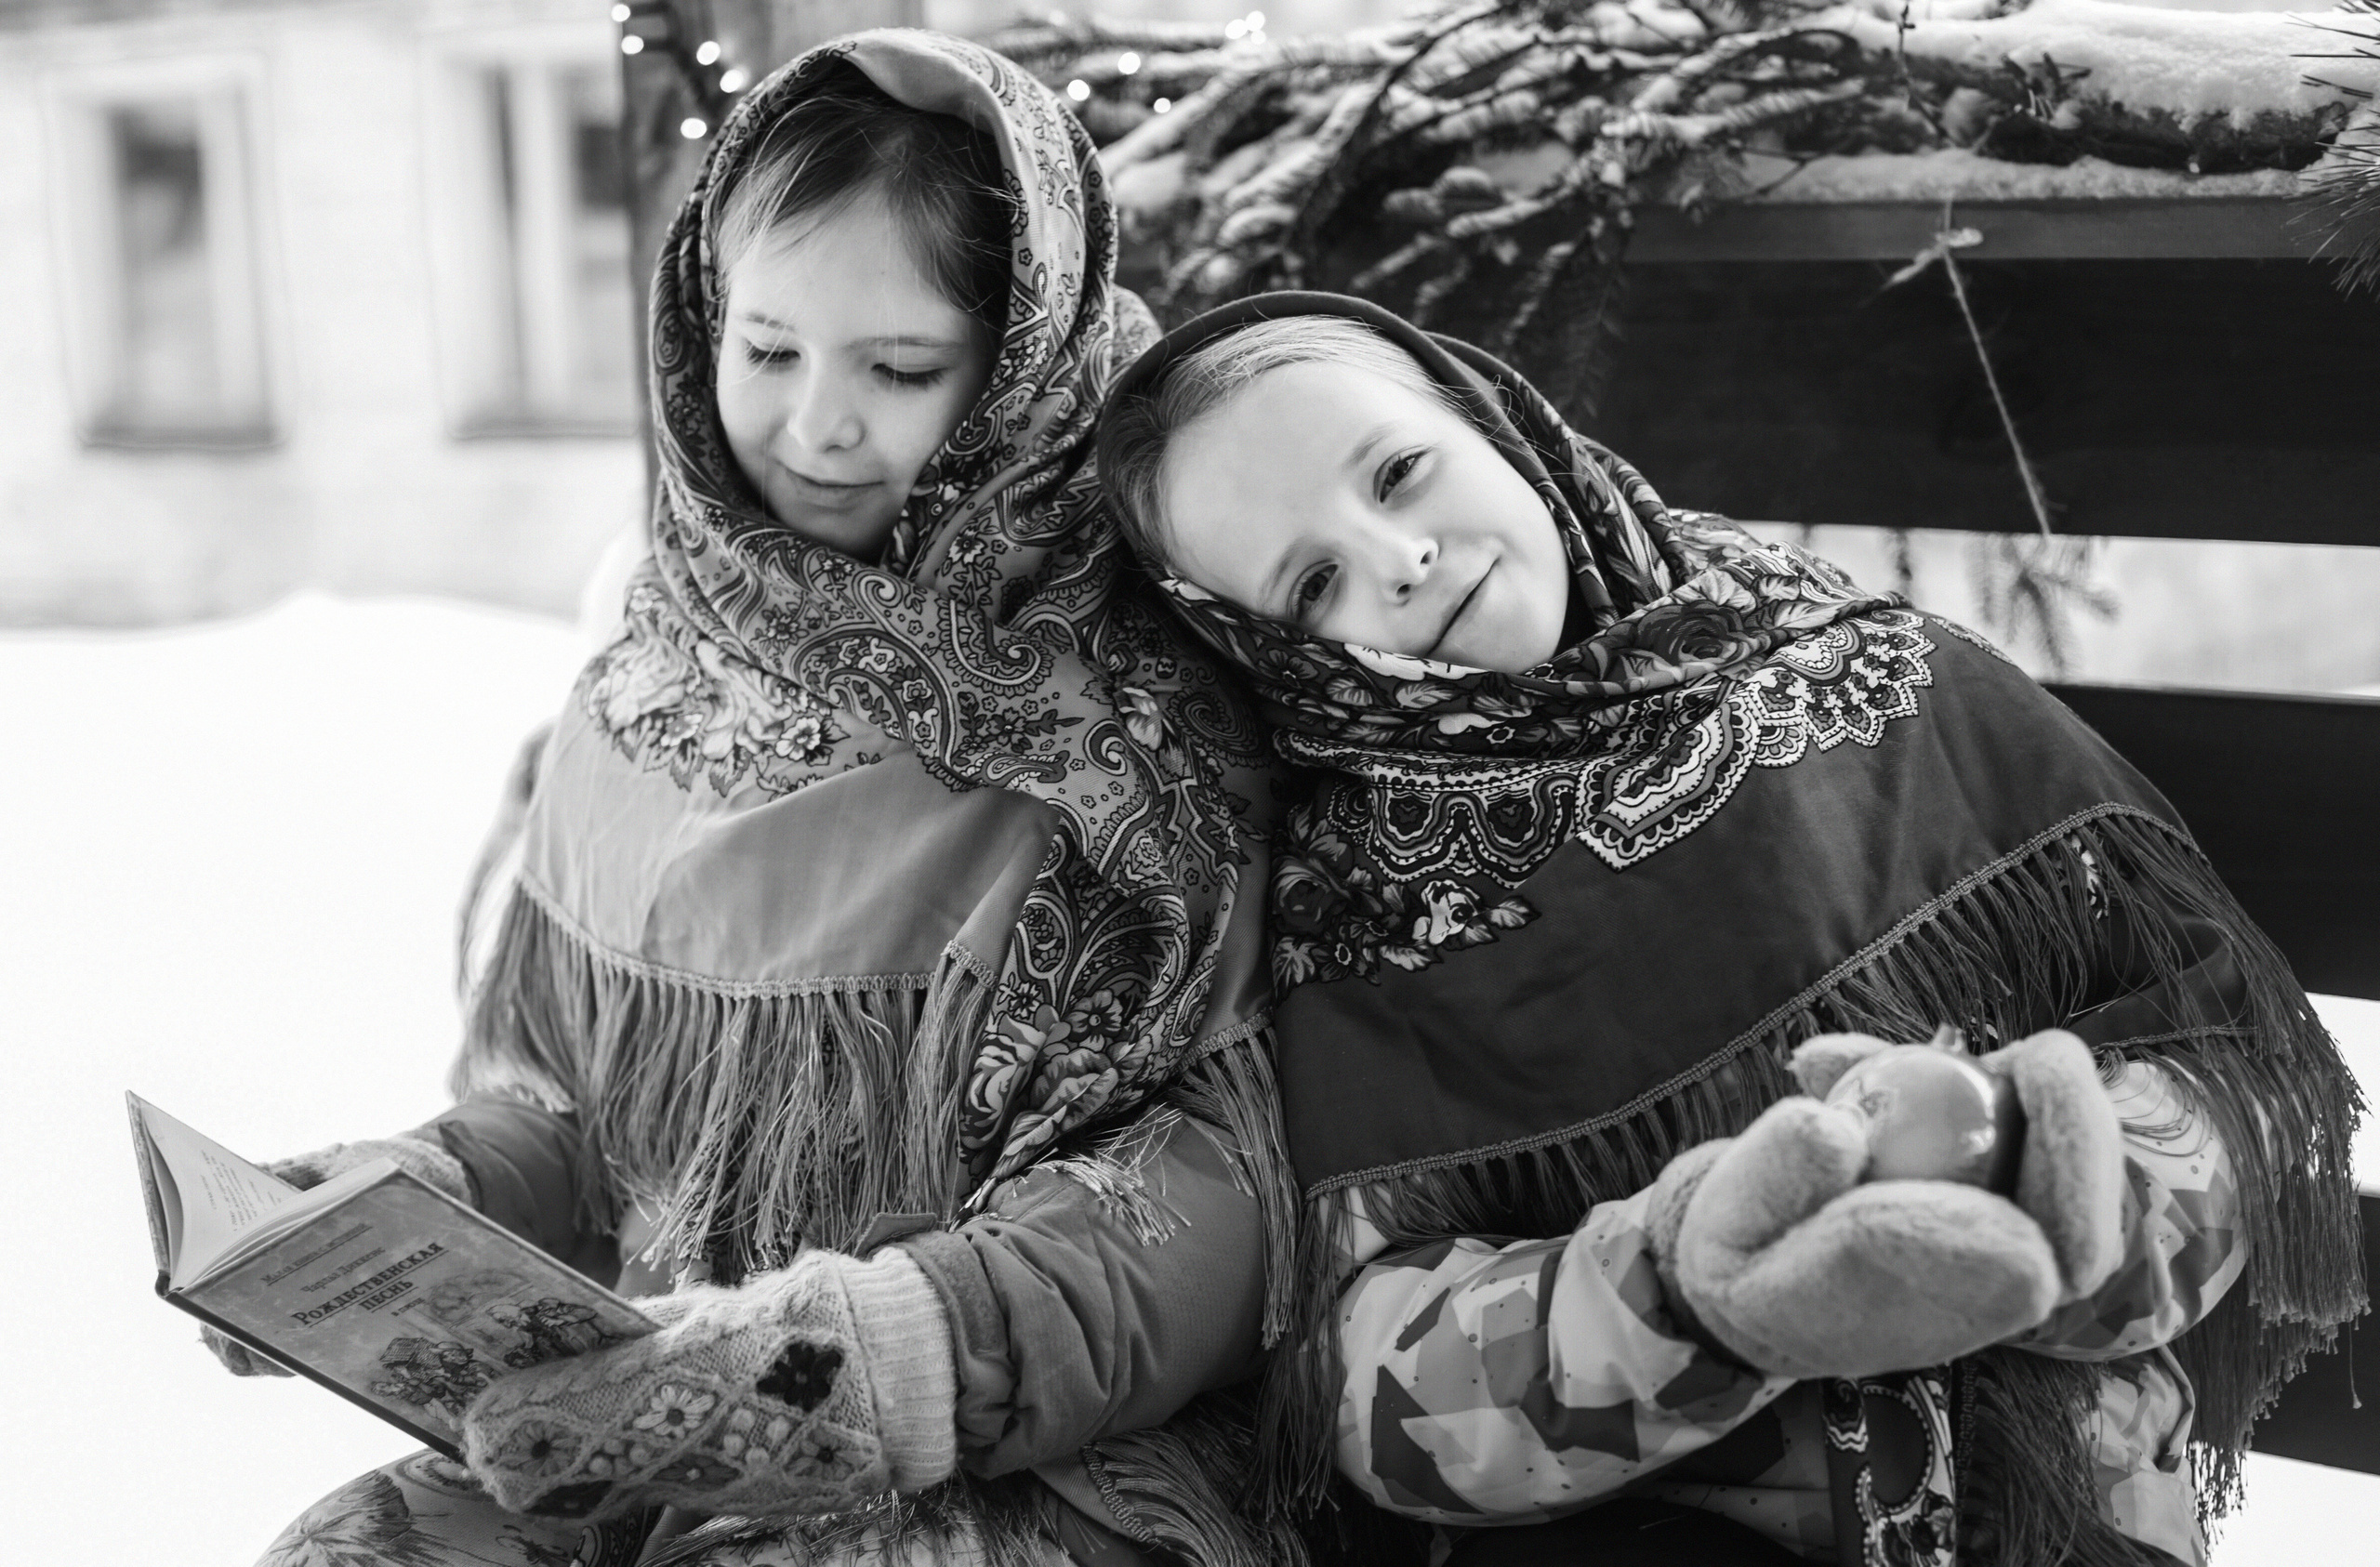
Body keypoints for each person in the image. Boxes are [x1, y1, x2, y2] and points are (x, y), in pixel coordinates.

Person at [233, 34, 1301, 1567]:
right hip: (641, 1408)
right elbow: (591, 1124)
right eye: (770, 348)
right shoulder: (654, 669)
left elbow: (1215, 1187)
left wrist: (883, 1353)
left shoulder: (1148, 698)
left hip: (1019, 1438)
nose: (817, 427)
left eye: (901, 368)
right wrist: (431, 1190)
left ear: (1024, 361)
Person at [1095, 293, 2366, 1567]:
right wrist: (1683, 1294)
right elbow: (1371, 1386)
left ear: (1490, 421)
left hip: (2055, 1500)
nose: (1397, 558)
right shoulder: (1362, 915)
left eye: (1398, 472)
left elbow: (2243, 1080)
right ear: (1264, 651)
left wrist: (2061, 1191)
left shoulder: (1892, 681)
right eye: (1312, 581)